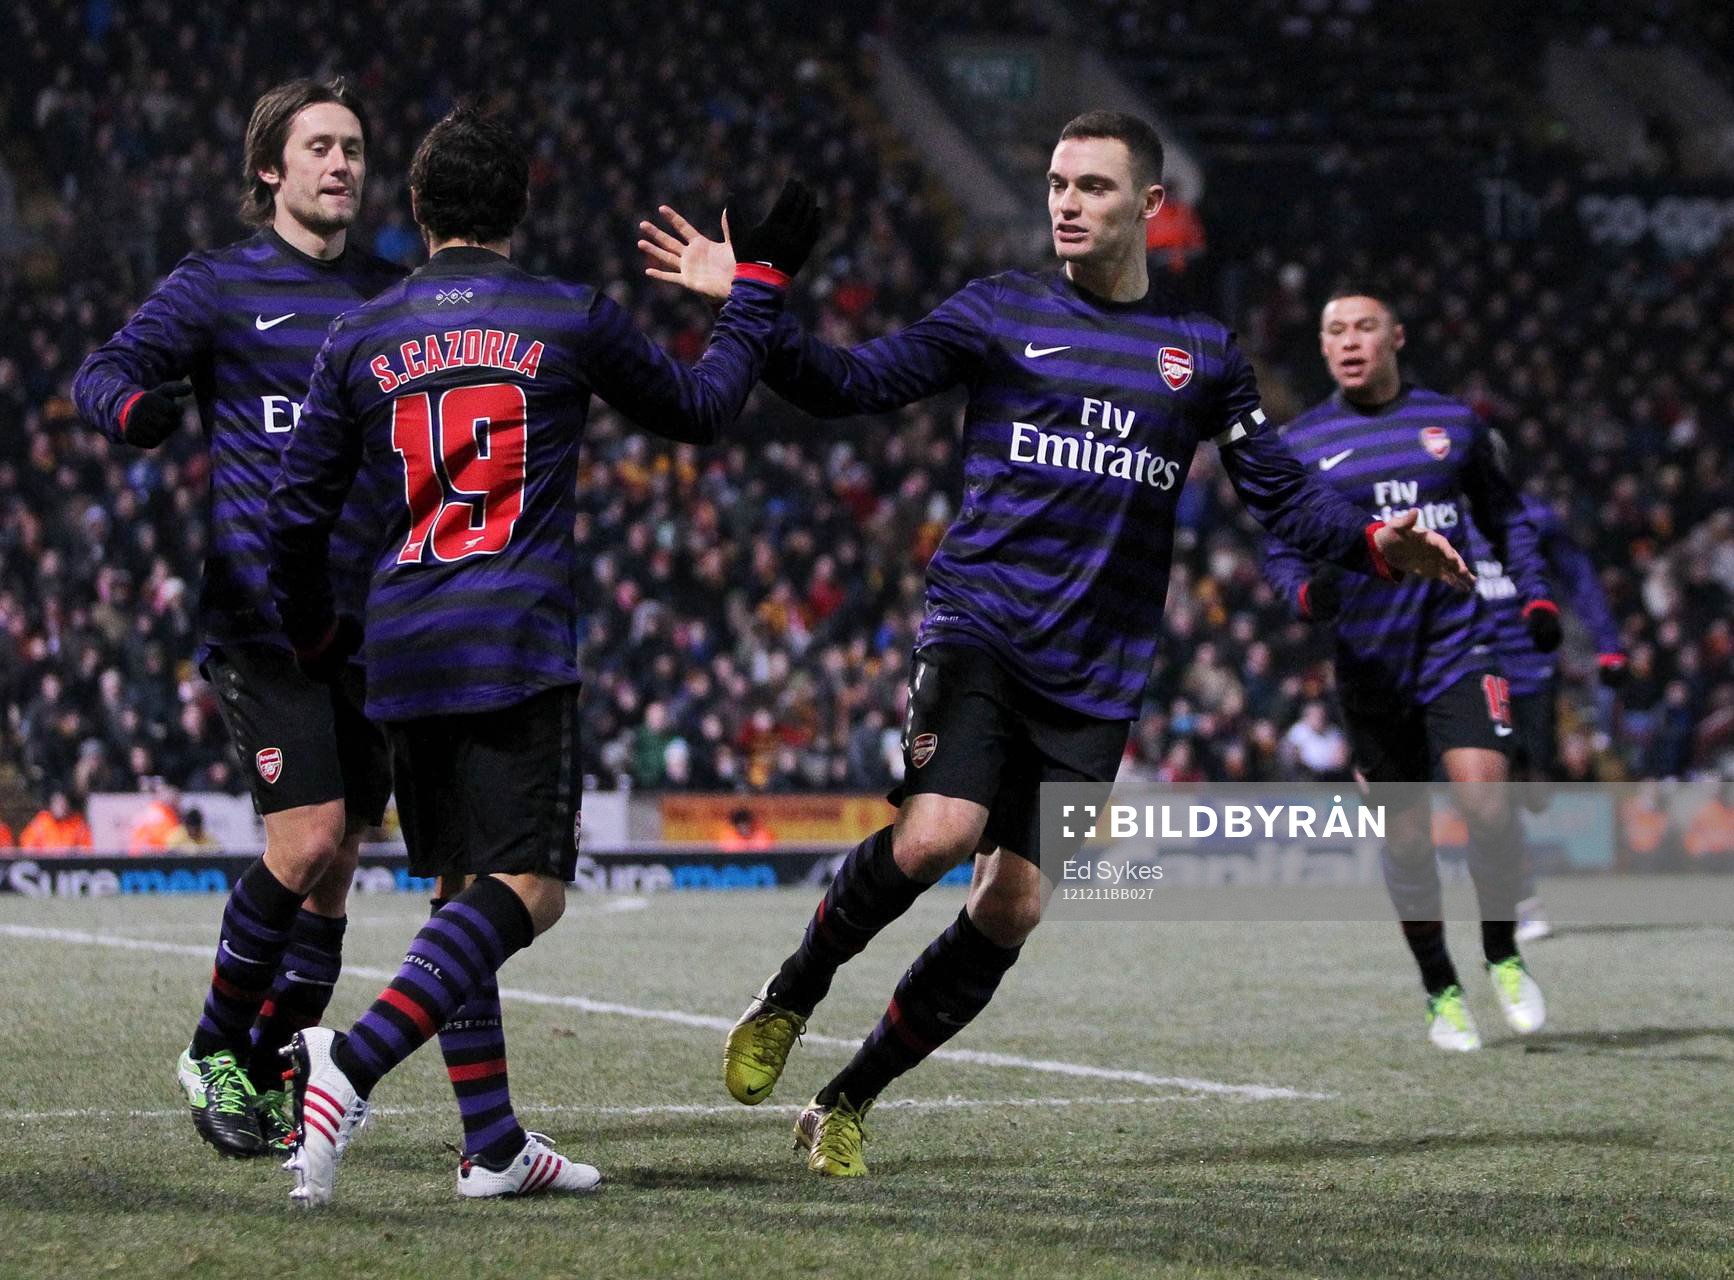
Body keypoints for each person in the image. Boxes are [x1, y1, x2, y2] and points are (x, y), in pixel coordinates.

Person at [639, 109, 1473, 1175]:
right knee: (937, 833)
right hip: (981, 624)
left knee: (1013, 903)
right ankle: (792, 991)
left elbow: (1283, 498)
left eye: (1093, 187)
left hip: (1096, 673)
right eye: (1057, 184)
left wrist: (1370, 540)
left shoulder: (1202, 357)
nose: (1067, 204)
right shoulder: (1001, 311)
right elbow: (848, 383)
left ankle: (848, 1097)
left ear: (1151, 207)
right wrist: (751, 298)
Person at [264, 104, 818, 1207]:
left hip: (404, 648)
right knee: (530, 890)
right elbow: (708, 408)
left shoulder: (361, 333)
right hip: (512, 639)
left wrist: (320, 632)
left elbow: (292, 520)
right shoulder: (568, 315)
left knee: (459, 887)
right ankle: (351, 1059)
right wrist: (754, 290)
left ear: (415, 210)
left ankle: (493, 1143)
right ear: (522, 207)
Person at [72, 77, 405, 1158]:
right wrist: (137, 410)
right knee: (306, 836)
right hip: (261, 619)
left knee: (342, 851)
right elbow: (103, 371)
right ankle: (214, 1044)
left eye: (353, 147)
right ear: (271, 169)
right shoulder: (219, 285)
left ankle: (267, 1066)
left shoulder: (389, 293)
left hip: (370, 622)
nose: (342, 164)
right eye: (319, 147)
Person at [1263, 289, 1559, 1052]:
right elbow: (1281, 550)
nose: (1349, 341)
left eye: (1364, 327)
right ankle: (1440, 987)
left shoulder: (1454, 426)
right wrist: (1310, 591)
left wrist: (1534, 598)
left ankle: (1502, 953)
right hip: (1369, 667)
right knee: (1406, 842)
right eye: (1334, 331)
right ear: (1323, 348)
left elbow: (1507, 519)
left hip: (1459, 644)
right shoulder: (1302, 446)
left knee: (1486, 803)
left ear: (1396, 335)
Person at [1467, 488, 1628, 941]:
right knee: (1495, 788)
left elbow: (1580, 579)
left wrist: (1610, 646)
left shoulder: (1535, 517)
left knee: (1536, 787)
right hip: (1476, 669)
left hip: (1534, 670)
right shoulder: (1437, 514)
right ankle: (1523, 901)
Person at [18, 791, 95, 852]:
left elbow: (87, 848)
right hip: (46, 865)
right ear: (51, 805)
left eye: (63, 804)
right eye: (57, 804)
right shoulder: (42, 821)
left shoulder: (76, 822)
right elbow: (26, 844)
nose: (61, 808)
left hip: (70, 867)